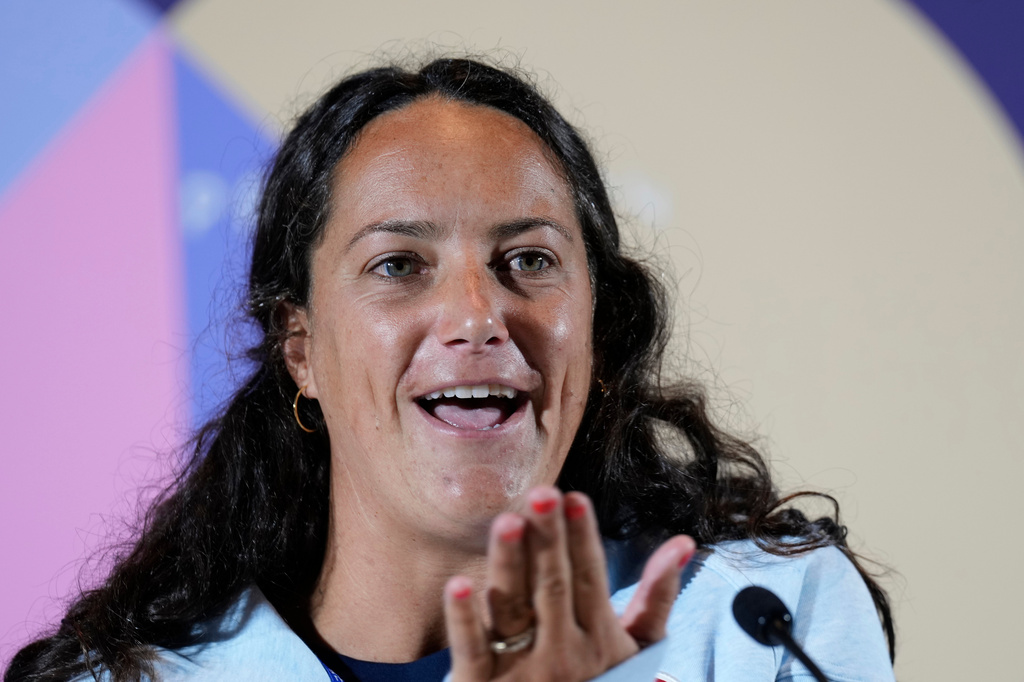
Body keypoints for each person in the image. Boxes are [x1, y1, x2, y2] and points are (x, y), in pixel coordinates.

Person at [6, 57, 895, 682]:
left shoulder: (765, 618)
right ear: (301, 347)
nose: (477, 314)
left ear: (598, 323)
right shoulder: (129, 680)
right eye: (399, 265)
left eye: (531, 261)